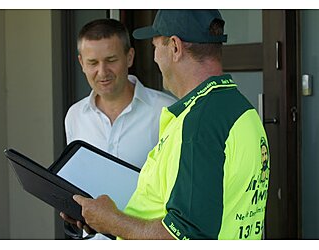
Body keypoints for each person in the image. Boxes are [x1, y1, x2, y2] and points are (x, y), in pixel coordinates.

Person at [62, 10, 270, 240]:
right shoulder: (242, 110)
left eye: (155, 46)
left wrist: (112, 221)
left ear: (174, 47)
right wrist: (102, 219)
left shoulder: (199, 123)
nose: (155, 58)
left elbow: (184, 236)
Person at [62, 18, 176, 239]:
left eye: (111, 60)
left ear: (129, 57)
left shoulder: (166, 111)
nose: (102, 71)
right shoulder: (74, 116)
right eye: (93, 62)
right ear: (81, 63)